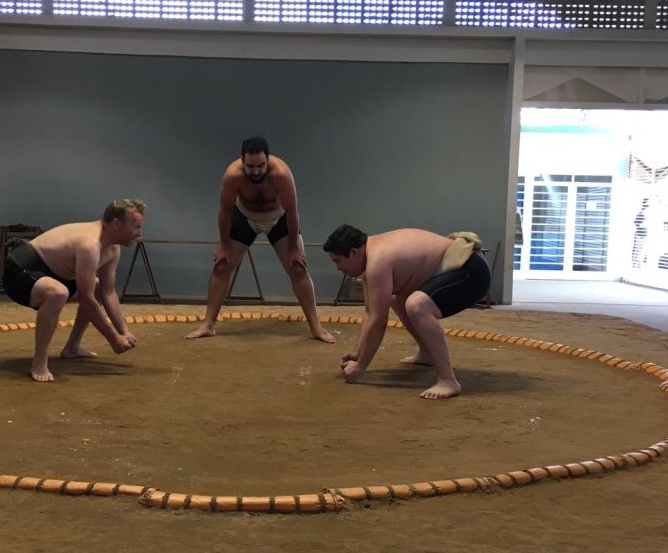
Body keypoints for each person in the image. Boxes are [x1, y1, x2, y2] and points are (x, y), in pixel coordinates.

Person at [185, 136, 334, 343]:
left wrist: (294, 248)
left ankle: (316, 327)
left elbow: (292, 212)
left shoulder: (282, 174)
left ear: (268, 160)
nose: (256, 171)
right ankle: (208, 324)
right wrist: (224, 246)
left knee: (298, 267)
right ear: (242, 161)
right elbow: (225, 211)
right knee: (221, 265)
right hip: (244, 217)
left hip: (280, 218)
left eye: (261, 166)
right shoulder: (232, 176)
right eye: (250, 166)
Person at [323, 224, 491, 400]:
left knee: (417, 305)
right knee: (397, 300)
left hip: (471, 271)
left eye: (338, 261)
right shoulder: (371, 258)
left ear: (354, 252)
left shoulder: (378, 259)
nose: (338, 268)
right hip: (457, 269)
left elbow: (379, 321)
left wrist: (360, 367)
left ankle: (448, 380)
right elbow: (370, 313)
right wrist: (358, 354)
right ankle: (427, 353)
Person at [2, 199, 145, 382]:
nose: (139, 234)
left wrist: (124, 331)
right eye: (136, 227)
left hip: (55, 275)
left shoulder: (112, 249)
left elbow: (108, 292)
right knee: (57, 293)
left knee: (96, 285)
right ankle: (39, 361)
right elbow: (86, 298)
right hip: (19, 272)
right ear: (117, 224)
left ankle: (72, 347)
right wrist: (113, 339)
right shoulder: (89, 244)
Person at [632, 198, 649, 268]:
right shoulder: (641, 213)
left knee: (641, 249)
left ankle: (638, 263)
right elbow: (636, 222)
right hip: (640, 233)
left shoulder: (647, 213)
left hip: (644, 233)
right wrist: (642, 225)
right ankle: (636, 264)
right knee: (638, 249)